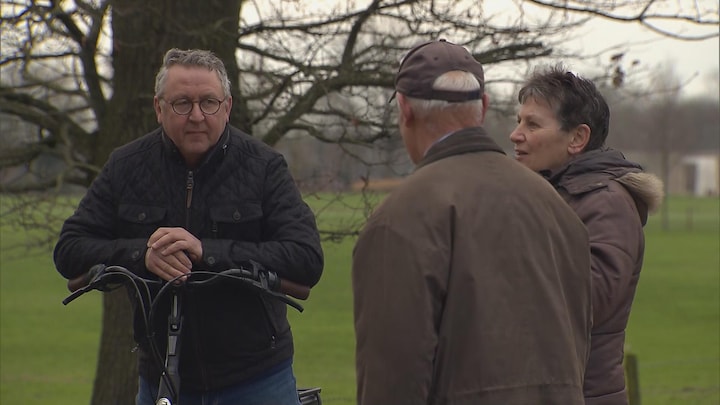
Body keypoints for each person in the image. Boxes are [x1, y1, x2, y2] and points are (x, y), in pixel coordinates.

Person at [54, 48, 324, 405]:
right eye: (182, 103)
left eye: (209, 102)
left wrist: (206, 252)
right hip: (159, 377)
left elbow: (306, 258)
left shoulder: (264, 167)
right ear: (158, 108)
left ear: (227, 107)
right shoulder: (125, 167)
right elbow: (69, 250)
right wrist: (141, 255)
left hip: (256, 378)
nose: (197, 115)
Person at [352, 39, 592, 405]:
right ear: (482, 107)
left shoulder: (399, 218)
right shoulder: (556, 206)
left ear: (405, 109)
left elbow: (392, 377)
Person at [510, 64, 664, 405]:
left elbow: (593, 298)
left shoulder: (606, 202)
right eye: (518, 121)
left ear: (577, 138)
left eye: (532, 124)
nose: (516, 134)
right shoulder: (547, 195)